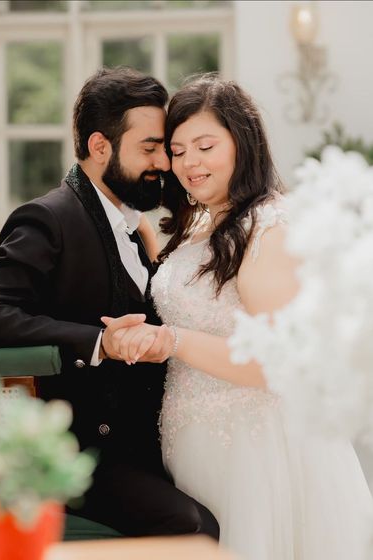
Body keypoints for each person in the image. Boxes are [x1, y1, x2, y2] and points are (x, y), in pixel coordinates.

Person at [104, 75, 373, 559]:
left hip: (256, 453)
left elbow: (276, 364)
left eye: (205, 146)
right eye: (178, 150)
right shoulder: (201, 222)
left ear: (242, 142)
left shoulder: (270, 227)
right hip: (193, 444)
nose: (189, 163)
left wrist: (170, 341)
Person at [0, 67, 219, 540]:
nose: (164, 161)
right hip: (84, 456)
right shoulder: (48, 218)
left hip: (153, 444)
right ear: (101, 147)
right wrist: (99, 342)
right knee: (195, 526)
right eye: (149, 147)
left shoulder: (131, 223)